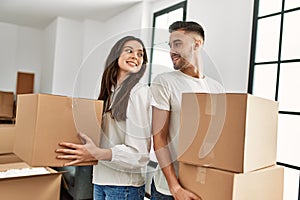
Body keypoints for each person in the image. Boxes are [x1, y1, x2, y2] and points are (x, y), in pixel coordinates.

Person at [56, 35, 151, 200]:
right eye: (129, 51)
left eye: (140, 54)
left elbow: (140, 154)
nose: (136, 56)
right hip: (100, 179)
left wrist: (98, 153)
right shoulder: (109, 93)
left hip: (124, 186)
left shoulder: (139, 92)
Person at [150, 21, 224, 200]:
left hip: (201, 187)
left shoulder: (216, 88)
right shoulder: (164, 81)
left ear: (196, 44)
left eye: (177, 44)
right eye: (170, 45)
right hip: (169, 190)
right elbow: (159, 139)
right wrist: (175, 187)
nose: (172, 51)